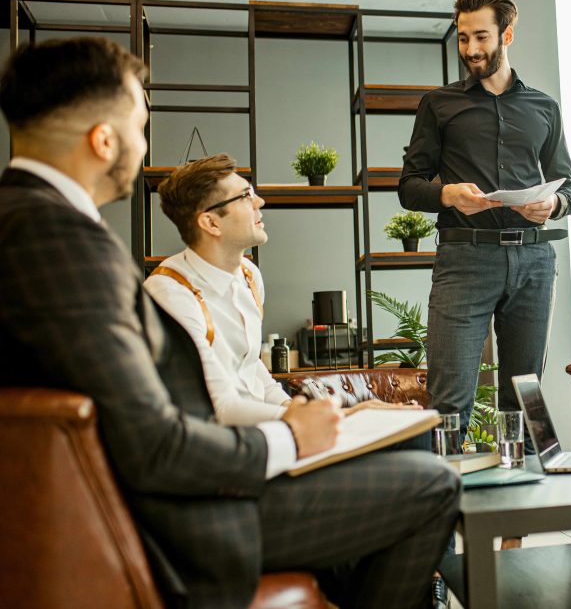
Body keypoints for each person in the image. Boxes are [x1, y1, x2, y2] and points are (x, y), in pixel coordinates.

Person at [0, 36, 459, 609]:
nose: (143, 147)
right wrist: (292, 435)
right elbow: (155, 446)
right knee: (435, 484)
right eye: (141, 127)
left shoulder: (30, 223)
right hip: (183, 523)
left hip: (180, 488)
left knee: (401, 460)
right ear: (103, 140)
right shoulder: (58, 241)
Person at [399, 0, 571, 440]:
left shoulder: (544, 107)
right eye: (463, 39)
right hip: (465, 263)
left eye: (481, 36)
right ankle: (449, 504)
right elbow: (409, 186)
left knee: (522, 397)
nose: (471, 50)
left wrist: (553, 204)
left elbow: (570, 188)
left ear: (507, 34)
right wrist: (448, 195)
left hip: (535, 265)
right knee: (450, 399)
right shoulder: (438, 105)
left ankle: (519, 502)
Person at [144, 155, 290, 424]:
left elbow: (249, 367)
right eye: (246, 196)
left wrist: (294, 408)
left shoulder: (250, 275)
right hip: (224, 442)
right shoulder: (169, 293)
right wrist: (302, 419)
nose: (260, 202)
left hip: (268, 428)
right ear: (211, 223)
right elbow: (217, 406)